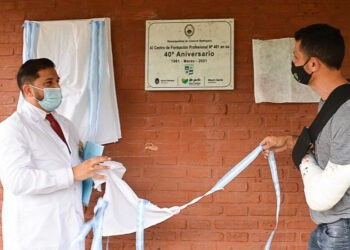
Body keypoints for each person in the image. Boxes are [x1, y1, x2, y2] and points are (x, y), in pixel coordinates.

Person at [0, 58, 111, 250]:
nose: (57, 87)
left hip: (69, 224)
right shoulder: (13, 128)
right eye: (49, 83)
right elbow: (16, 180)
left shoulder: (65, 124)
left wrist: (90, 170)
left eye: (58, 81)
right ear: (28, 90)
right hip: (35, 233)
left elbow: (72, 164)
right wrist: (72, 174)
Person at [261, 24, 350, 249]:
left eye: (296, 57)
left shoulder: (346, 111)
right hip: (329, 227)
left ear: (312, 64)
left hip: (343, 230)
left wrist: (301, 156)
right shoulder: (330, 102)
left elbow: (322, 197)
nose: (293, 63)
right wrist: (291, 142)